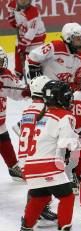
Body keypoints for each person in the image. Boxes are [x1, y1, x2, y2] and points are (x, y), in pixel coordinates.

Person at [17, 80, 81, 231]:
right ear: (62, 98)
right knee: (67, 197)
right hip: (47, 164)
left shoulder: (42, 116)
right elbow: (67, 143)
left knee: (39, 197)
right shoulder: (65, 115)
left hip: (30, 166)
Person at [18, 75, 58, 226]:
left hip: (24, 155)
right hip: (34, 156)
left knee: (41, 185)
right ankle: (29, 217)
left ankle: (40, 209)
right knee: (39, 186)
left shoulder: (28, 109)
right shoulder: (44, 109)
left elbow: (19, 129)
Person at [0, 46, 30, 181]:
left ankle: (13, 167)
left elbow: (17, 91)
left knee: (4, 140)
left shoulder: (5, 74)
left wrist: (28, 91)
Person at [6, 0, 46, 80]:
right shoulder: (13, 4)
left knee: (35, 63)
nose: (24, 2)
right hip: (22, 37)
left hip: (36, 40)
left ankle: (36, 78)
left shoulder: (33, 11)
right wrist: (12, 18)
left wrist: (23, 44)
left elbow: (32, 30)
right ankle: (18, 75)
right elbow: (14, 22)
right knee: (18, 62)